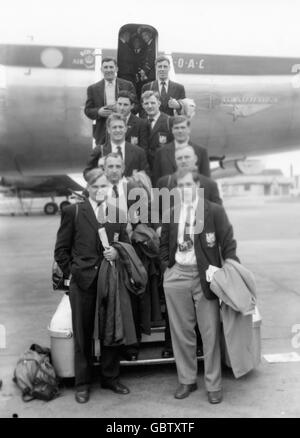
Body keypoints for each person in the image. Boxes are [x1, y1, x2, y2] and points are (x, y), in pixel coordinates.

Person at [160, 168, 239, 404]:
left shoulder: (213, 211)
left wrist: (231, 271)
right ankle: (187, 379)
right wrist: (168, 267)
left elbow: (228, 243)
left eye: (188, 185)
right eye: (180, 186)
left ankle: (213, 383)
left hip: (204, 276)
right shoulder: (172, 212)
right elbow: (164, 243)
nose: (185, 190)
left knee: (210, 332)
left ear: (197, 186)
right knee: (181, 332)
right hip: (177, 276)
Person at [54, 168, 131, 403]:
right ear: (87, 188)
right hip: (83, 283)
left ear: (109, 188)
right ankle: (83, 383)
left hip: (109, 281)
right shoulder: (74, 211)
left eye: (104, 186)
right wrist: (74, 273)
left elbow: (126, 246)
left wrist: (117, 253)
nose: (100, 190)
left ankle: (110, 378)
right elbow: (61, 250)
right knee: (83, 334)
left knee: (110, 330)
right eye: (95, 186)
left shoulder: (117, 214)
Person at [84, 57, 136, 145]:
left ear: (116, 69)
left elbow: (136, 106)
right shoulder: (92, 88)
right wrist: (98, 112)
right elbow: (88, 110)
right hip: (102, 133)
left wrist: (122, 109)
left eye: (111, 67)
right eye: (106, 67)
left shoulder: (128, 85)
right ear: (101, 69)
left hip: (125, 129)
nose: (108, 70)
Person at [84, 113, 150, 178]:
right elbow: (87, 173)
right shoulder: (99, 150)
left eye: (120, 127)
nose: (118, 130)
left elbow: (146, 177)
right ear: (108, 130)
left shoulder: (139, 152)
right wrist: (100, 174)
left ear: (126, 129)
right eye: (114, 127)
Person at [152, 115, 210, 185]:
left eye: (183, 127)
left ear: (189, 129)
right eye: (176, 128)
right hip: (168, 195)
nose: (180, 131)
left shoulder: (201, 152)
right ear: (172, 130)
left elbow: (206, 183)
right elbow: (156, 183)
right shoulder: (161, 152)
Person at [141, 90, 173, 174]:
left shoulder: (169, 121)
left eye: (153, 103)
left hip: (164, 170)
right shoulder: (140, 123)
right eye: (146, 103)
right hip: (146, 170)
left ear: (159, 103)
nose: (150, 106)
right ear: (143, 106)